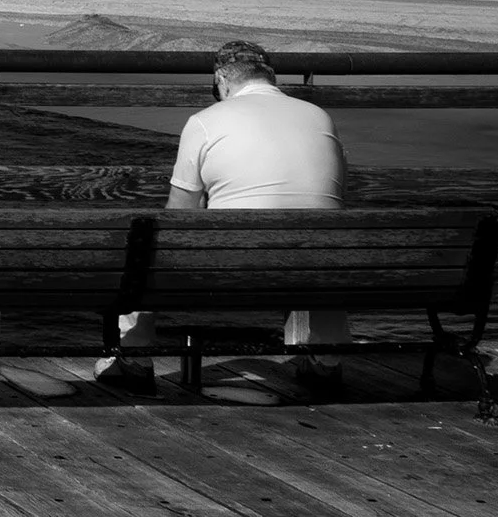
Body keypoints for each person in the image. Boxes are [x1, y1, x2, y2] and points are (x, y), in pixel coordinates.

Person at [97, 39, 351, 394]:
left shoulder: (205, 122)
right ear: (269, 77)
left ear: (221, 79)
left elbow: (178, 216)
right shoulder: (319, 116)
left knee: (142, 252)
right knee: (324, 236)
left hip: (232, 268)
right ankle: (327, 358)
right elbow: (334, 197)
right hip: (315, 266)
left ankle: (135, 357)